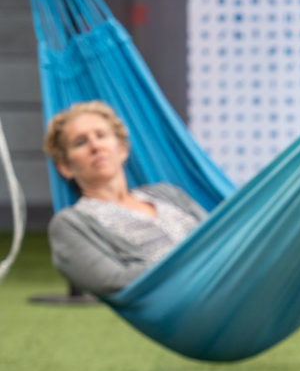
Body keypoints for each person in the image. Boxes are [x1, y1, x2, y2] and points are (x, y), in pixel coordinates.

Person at [43, 101, 207, 295]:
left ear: (122, 149)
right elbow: (115, 280)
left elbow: (224, 236)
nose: (95, 146)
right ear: (65, 167)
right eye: (81, 142)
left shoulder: (167, 194)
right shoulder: (71, 224)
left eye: (101, 136)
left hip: (229, 281)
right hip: (191, 300)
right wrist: (194, 264)